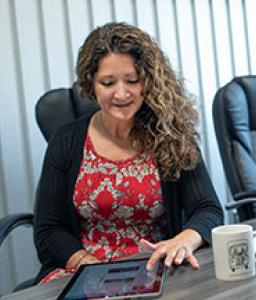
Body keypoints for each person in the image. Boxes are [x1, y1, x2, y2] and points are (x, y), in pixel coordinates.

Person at [34, 22, 223, 284]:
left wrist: (184, 241)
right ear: (91, 85)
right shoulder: (66, 140)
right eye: (108, 82)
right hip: (84, 272)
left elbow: (208, 209)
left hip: (158, 269)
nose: (121, 94)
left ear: (147, 81)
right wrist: (87, 265)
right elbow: (48, 229)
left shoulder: (171, 133)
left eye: (132, 81)